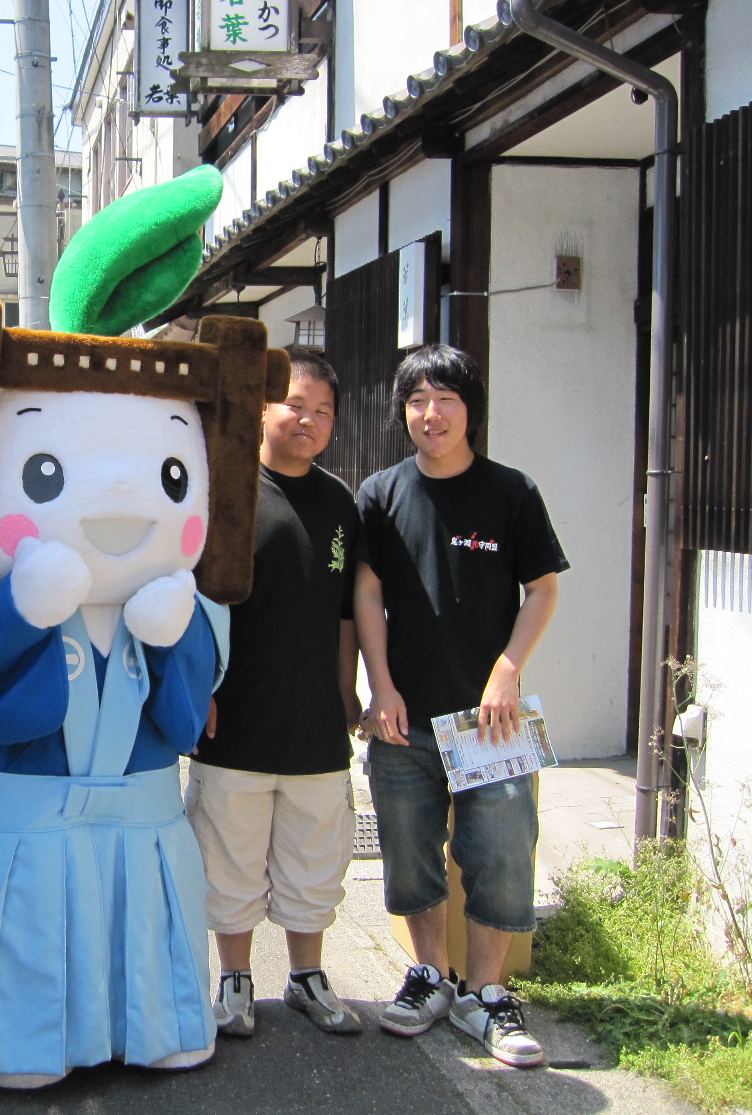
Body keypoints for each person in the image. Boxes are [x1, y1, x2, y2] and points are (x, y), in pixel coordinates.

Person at [353, 344, 566, 1068]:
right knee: (409, 853)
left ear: (470, 409)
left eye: (445, 398)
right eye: (417, 400)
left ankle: (486, 994)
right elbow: (368, 592)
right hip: (403, 716)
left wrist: (507, 671)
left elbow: (542, 588)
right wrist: (379, 686)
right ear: (403, 413)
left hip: (490, 721)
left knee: (502, 855)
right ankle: (429, 977)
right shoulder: (381, 493)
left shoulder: (511, 492)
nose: (431, 413)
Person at [187, 348, 363, 1037]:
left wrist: (348, 691)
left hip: (315, 720)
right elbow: (190, 598)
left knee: (313, 858)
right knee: (227, 853)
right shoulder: (223, 489)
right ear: (262, 407)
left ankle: (307, 977)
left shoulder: (341, 503)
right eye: (295, 404)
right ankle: (234, 979)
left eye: (323, 411)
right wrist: (196, 686)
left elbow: (347, 612)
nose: (307, 420)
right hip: (235, 715)